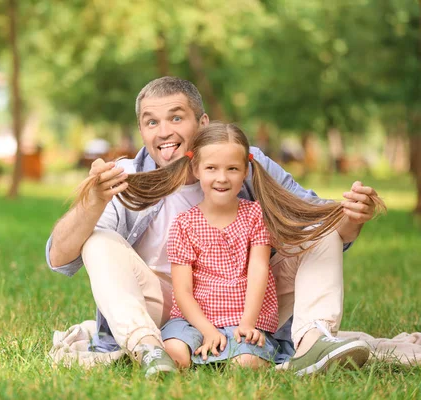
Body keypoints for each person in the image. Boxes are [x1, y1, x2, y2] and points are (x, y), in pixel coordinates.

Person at [46, 76, 383, 377]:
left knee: (321, 231)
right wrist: (92, 204)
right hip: (166, 309)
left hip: (249, 302)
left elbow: (318, 221)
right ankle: (148, 348)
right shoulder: (126, 177)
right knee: (98, 240)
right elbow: (60, 258)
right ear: (142, 130)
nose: (163, 131)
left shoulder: (247, 163)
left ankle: (313, 344)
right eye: (151, 122)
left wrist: (352, 218)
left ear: (203, 122)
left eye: (176, 117)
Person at [107, 121, 385, 371]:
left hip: (244, 316)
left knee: (248, 364)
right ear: (196, 169)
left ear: (245, 171)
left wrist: (248, 323)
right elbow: (183, 290)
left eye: (232, 169)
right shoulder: (184, 223)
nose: (222, 178)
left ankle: (305, 343)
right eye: (211, 168)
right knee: (174, 353)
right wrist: (206, 330)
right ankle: (200, 350)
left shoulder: (254, 216)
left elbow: (258, 273)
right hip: (195, 319)